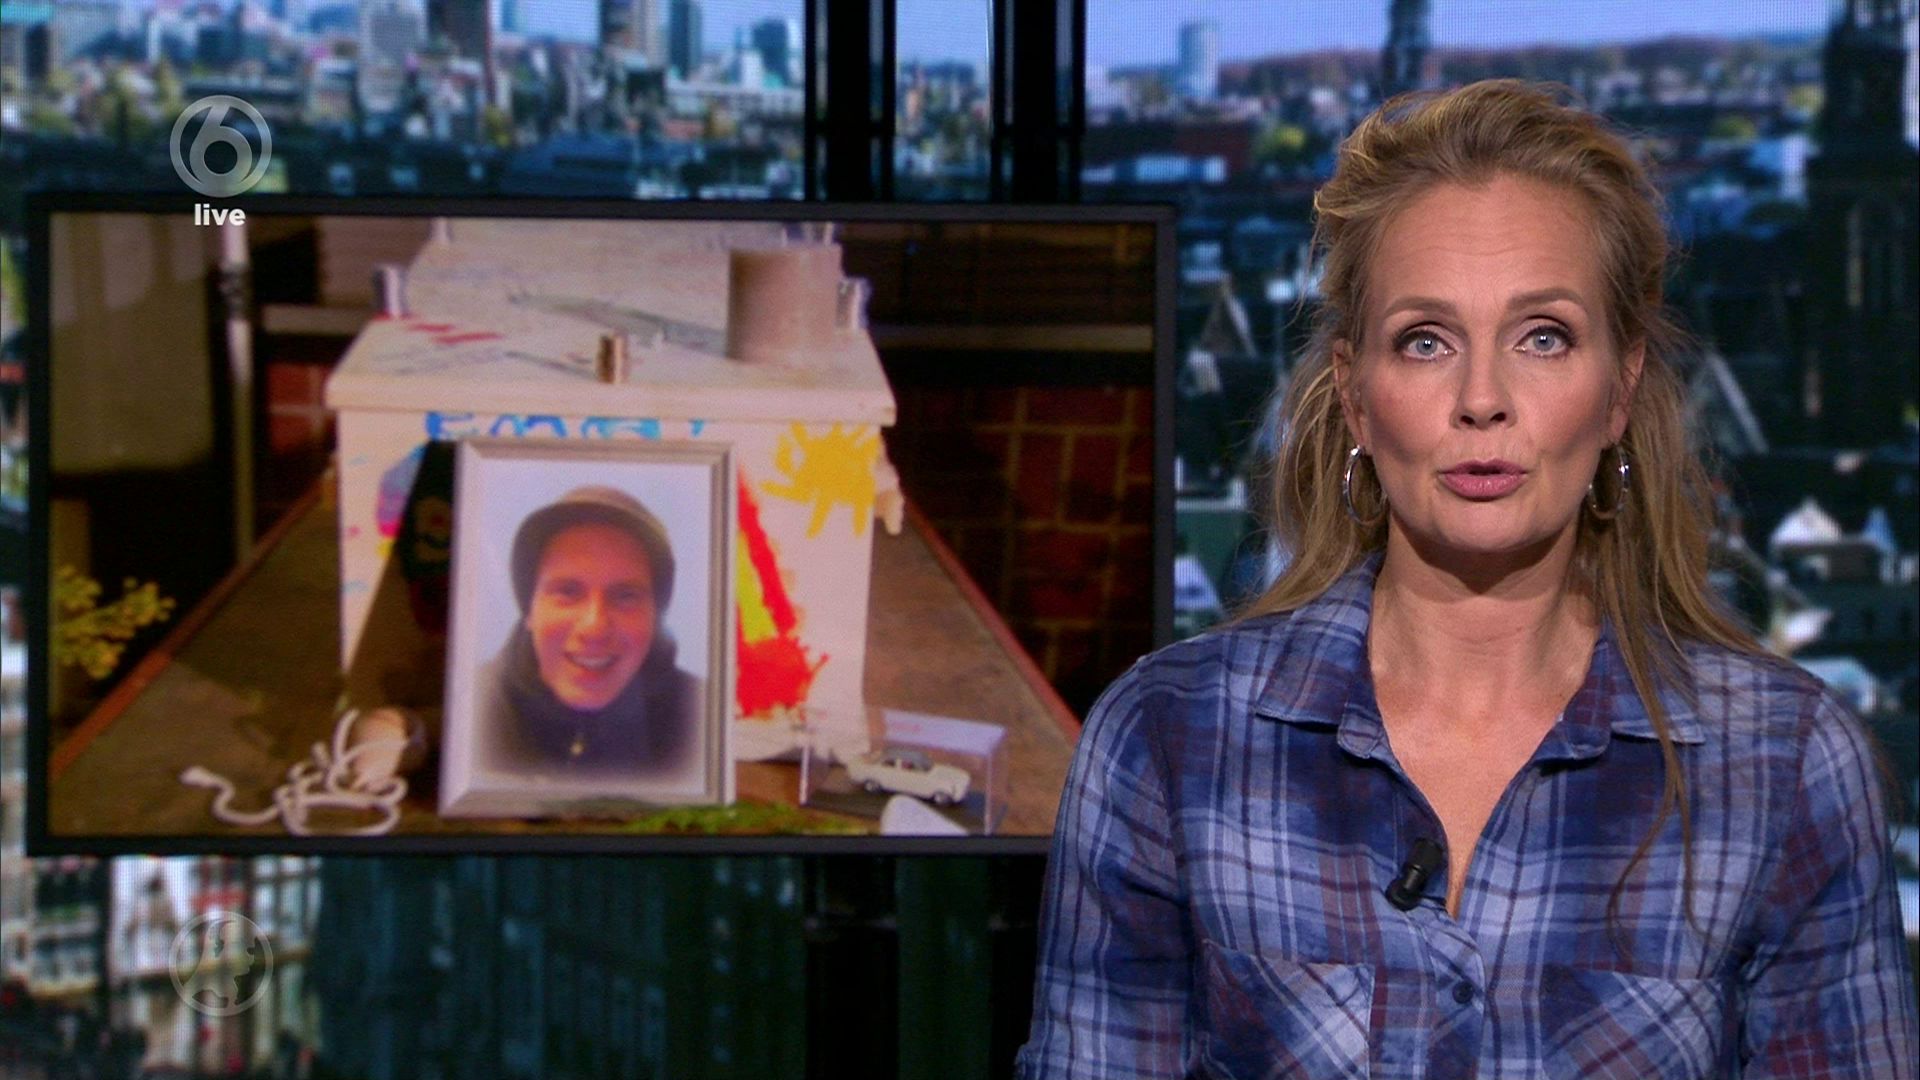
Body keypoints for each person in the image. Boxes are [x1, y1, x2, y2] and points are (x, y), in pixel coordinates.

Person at [1016, 80, 1918, 1079]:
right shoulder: (1170, 741)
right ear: (1356, 398)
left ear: (1618, 392)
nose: (1481, 399)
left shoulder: (1783, 765)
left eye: (1544, 337)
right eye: (1427, 341)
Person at [478, 485, 702, 776]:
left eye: (625, 596)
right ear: (529, 610)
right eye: (567, 592)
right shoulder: (473, 710)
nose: (594, 626)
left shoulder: (702, 715)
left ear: (655, 617)